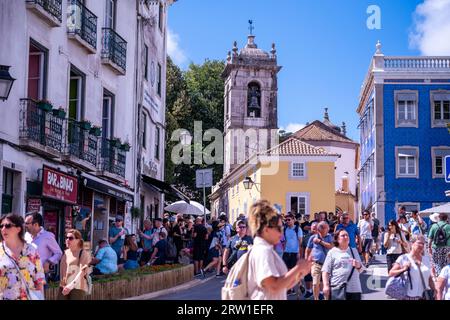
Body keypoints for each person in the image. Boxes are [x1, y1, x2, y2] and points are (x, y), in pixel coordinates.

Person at [247, 200, 311, 300]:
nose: (281, 233)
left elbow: (281, 285)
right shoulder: (263, 251)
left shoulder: (264, 249)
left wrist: (301, 272)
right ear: (266, 229)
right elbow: (274, 286)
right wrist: (298, 269)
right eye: (279, 228)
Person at [0, 214, 45, 300]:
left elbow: (39, 280)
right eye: (1, 226)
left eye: (8, 225)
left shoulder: (32, 250)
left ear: (18, 229)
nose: (3, 229)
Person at [389, 235, 437, 300]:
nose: (421, 245)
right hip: (408, 296)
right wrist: (403, 269)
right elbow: (391, 273)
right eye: (419, 243)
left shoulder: (426, 260)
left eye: (423, 244)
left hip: (424, 296)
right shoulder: (403, 258)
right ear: (412, 244)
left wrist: (434, 289)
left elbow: (429, 277)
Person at [322, 229, 364, 300]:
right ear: (337, 239)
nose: (346, 237)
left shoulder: (354, 251)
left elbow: (361, 269)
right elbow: (325, 271)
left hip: (354, 289)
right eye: (343, 236)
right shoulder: (332, 252)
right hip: (338, 288)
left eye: (347, 235)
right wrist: (326, 285)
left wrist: (358, 265)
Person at [24, 212, 62, 281]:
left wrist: (49, 262)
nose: (24, 225)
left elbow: (58, 253)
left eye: (27, 223)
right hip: (25, 273)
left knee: (39, 292)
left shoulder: (47, 236)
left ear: (35, 224)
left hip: (40, 274)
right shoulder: (26, 235)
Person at [59, 229, 92, 300]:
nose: (67, 240)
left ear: (78, 240)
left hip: (78, 287)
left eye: (70, 238)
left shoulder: (84, 253)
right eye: (66, 238)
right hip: (64, 286)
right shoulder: (66, 253)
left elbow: (82, 271)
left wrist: (71, 286)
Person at [306, 221, 333, 300]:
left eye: (327, 228)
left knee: (326, 284)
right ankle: (316, 298)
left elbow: (331, 246)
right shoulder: (312, 237)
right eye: (326, 228)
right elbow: (308, 249)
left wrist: (320, 241)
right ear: (320, 229)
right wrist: (307, 261)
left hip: (326, 264)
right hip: (316, 263)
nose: (328, 229)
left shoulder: (329, 236)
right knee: (315, 283)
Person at [282, 213, 304, 295]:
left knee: (294, 271)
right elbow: (285, 240)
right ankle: (290, 289)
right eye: (286, 220)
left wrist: (299, 253)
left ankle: (299, 284)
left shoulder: (298, 229)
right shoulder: (285, 229)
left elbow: (300, 242)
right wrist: (284, 249)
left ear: (293, 220)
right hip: (287, 252)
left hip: (295, 253)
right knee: (287, 271)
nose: (287, 221)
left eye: (289, 220)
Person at [300, 222, 318, 299]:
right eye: (313, 227)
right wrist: (302, 257)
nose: (315, 229)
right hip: (308, 259)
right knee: (308, 276)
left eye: (316, 227)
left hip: (318, 260)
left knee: (318, 277)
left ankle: (319, 293)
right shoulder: (306, 237)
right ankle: (308, 291)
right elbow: (302, 247)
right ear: (311, 228)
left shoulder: (322, 236)